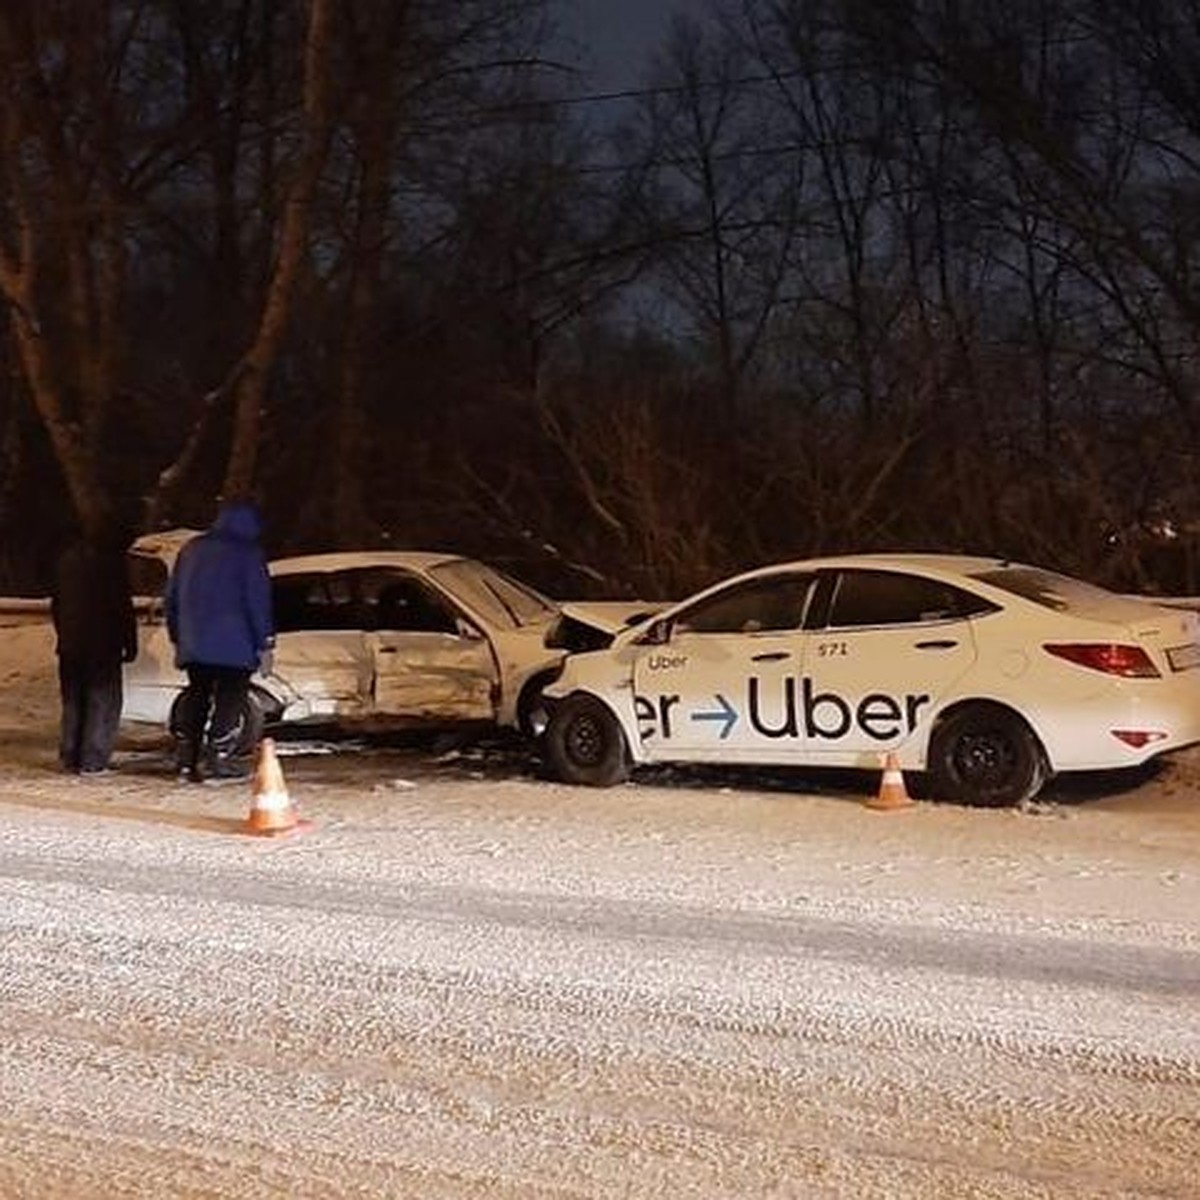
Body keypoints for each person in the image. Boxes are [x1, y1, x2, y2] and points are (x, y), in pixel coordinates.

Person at [165, 499, 274, 781]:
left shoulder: (190, 550)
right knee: (230, 698)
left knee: (197, 696)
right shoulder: (247, 553)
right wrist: (265, 642)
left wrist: (177, 636)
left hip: (195, 643)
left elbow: (173, 598)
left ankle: (187, 760)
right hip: (235, 644)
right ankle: (217, 758)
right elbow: (257, 601)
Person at [50, 519, 139, 774]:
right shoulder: (110, 564)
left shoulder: (66, 560)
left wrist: (63, 634)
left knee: (73, 700)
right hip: (103, 644)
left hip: (70, 643)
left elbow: (56, 604)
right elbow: (121, 607)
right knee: (102, 700)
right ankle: (94, 758)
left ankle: (69, 755)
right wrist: (129, 643)